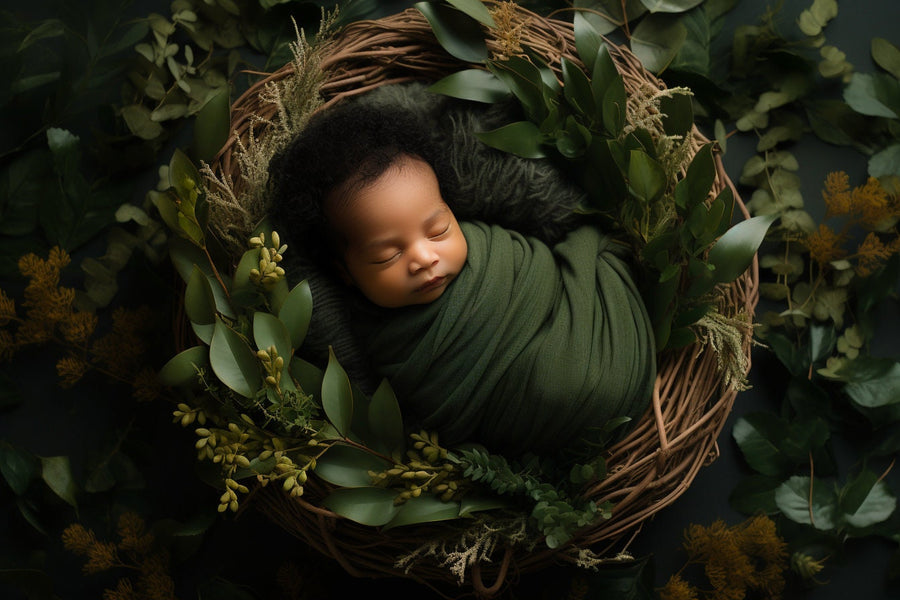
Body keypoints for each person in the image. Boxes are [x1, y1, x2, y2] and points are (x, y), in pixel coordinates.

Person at [268, 100, 657, 457]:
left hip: (592, 323)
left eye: (438, 230)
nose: (424, 257)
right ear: (345, 273)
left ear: (454, 212)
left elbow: (566, 255)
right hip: (547, 418)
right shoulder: (373, 345)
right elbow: (429, 425)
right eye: (388, 255)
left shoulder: (494, 248)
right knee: (552, 390)